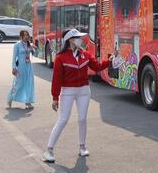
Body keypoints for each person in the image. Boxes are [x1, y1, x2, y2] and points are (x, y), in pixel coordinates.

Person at [42, 29, 114, 163]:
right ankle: (49, 150)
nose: (81, 40)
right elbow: (56, 79)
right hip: (68, 91)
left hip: (84, 91)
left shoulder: (85, 55)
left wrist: (109, 61)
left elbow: (97, 67)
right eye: (78, 38)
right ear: (70, 40)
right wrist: (55, 98)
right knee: (63, 120)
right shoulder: (60, 58)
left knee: (82, 119)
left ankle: (82, 147)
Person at [7, 30, 37, 109]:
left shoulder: (29, 45)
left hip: (28, 67)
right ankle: (10, 98)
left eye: (27, 35)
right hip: (20, 67)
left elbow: (34, 54)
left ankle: (28, 101)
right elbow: (14, 58)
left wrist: (34, 48)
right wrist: (14, 68)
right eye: (25, 35)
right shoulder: (17, 45)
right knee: (18, 84)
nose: (26, 36)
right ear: (21, 37)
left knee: (29, 84)